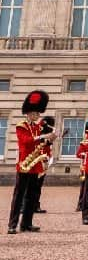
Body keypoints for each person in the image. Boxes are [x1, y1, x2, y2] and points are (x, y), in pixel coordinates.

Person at [7, 90, 56, 234]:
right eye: (33, 113)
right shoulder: (21, 126)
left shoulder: (37, 127)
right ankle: (12, 224)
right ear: (27, 113)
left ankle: (26, 224)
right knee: (19, 196)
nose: (36, 116)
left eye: (37, 113)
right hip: (25, 165)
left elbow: (42, 144)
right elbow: (26, 141)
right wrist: (42, 137)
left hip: (36, 165)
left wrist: (49, 140)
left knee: (32, 196)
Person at [32, 115, 55, 214]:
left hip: (44, 161)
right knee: (33, 185)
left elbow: (48, 144)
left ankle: (35, 205)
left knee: (38, 186)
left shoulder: (45, 134)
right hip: (39, 161)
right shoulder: (40, 133)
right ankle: (26, 206)